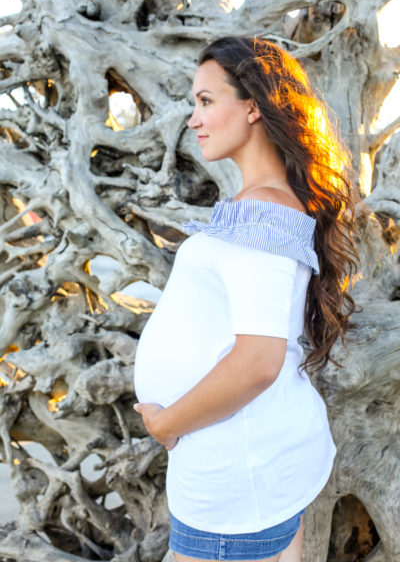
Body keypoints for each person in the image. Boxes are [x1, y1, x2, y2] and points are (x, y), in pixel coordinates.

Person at [133, 36, 358, 562]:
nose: (193, 119)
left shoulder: (265, 212)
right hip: (247, 463)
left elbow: (258, 361)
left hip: (234, 479)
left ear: (253, 107)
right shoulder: (264, 204)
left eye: (206, 101)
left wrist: (167, 424)